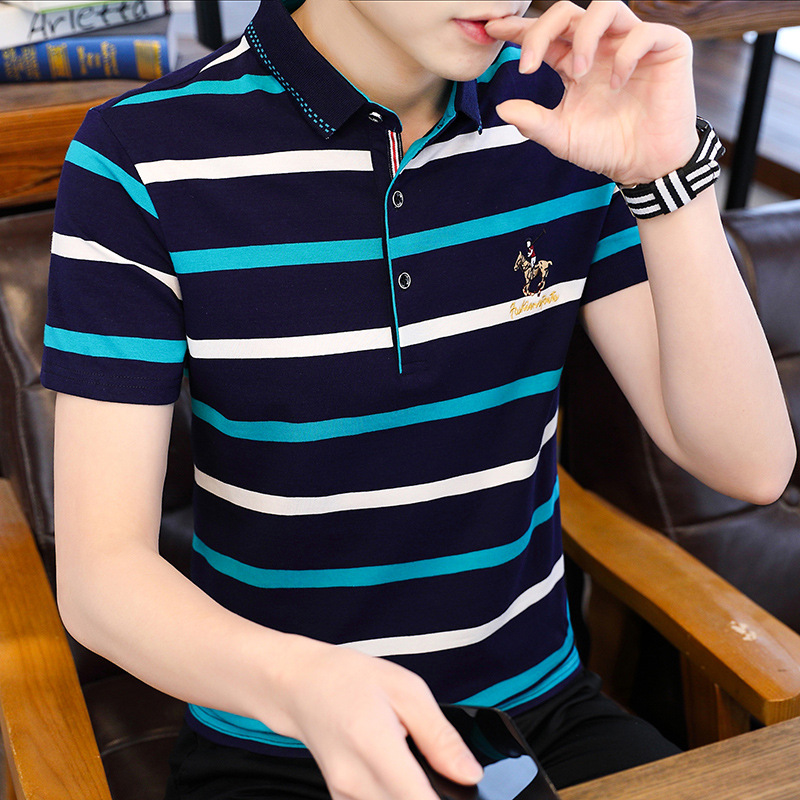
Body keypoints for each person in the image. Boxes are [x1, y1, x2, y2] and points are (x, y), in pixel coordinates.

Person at [43, 1, 795, 799]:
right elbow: (102, 580)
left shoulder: (569, 109)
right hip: (277, 743)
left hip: (539, 719)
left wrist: (666, 179)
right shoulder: (137, 152)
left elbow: (749, 464)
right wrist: (301, 684)